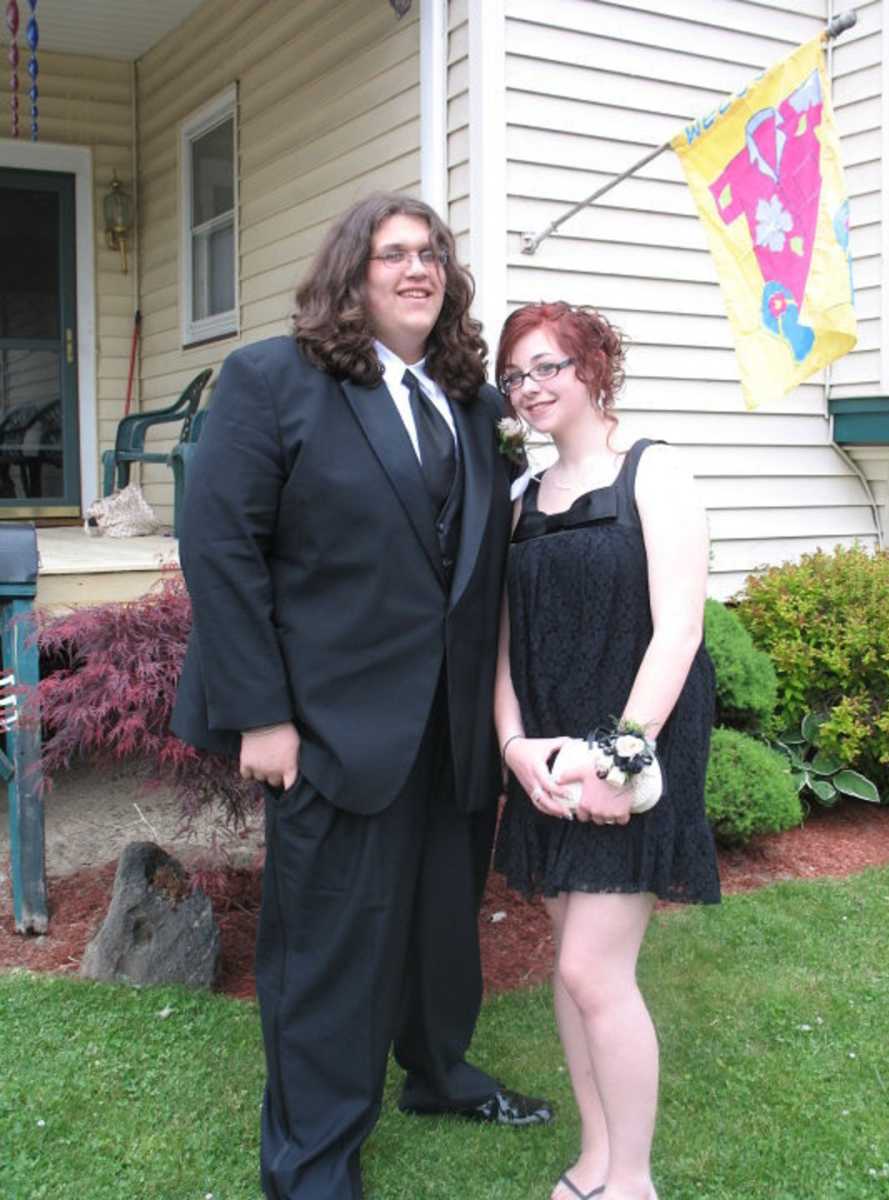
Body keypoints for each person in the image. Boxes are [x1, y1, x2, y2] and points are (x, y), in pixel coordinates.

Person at [171, 193, 551, 1200]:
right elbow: (219, 548)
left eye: (432, 255)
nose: (417, 270)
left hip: (453, 729)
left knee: (440, 928)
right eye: (394, 255)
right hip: (330, 729)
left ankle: (439, 1072)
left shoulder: (470, 401)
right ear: (353, 274)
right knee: (331, 957)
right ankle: (313, 1163)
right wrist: (262, 713)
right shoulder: (270, 381)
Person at [492, 302, 721, 1200]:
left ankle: (631, 1181)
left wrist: (618, 758)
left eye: (547, 366)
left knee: (595, 967)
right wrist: (516, 749)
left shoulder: (655, 474)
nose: (531, 389)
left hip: (637, 752)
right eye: (515, 377)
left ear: (593, 366)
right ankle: (594, 1157)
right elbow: (502, 646)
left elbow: (680, 632)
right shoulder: (519, 498)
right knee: (568, 965)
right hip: (549, 757)